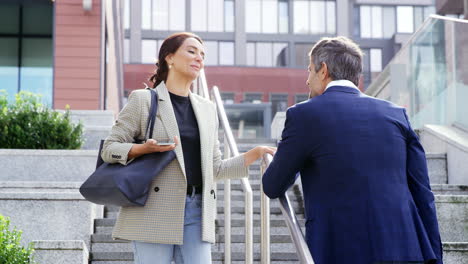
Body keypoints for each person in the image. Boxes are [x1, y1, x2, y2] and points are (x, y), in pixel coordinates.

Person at [262, 37, 443, 264]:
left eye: (309, 71)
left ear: (323, 70)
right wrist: (434, 255)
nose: (307, 81)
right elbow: (423, 194)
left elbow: (272, 184)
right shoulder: (395, 113)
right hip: (405, 249)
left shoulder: (303, 115)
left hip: (339, 250)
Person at [101, 32, 275, 264]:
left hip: (197, 210)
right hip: (152, 209)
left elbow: (215, 168)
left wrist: (254, 154)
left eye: (202, 54)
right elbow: (110, 149)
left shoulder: (206, 108)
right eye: (192, 51)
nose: (199, 58)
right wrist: (143, 149)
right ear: (169, 58)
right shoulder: (143, 100)